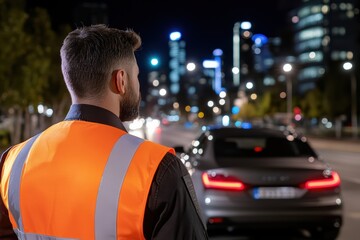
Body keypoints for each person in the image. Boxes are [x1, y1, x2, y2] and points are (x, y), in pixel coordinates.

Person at [0, 24, 208, 239]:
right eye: (136, 76)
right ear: (121, 80)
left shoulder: (12, 161)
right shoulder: (157, 168)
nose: (138, 86)